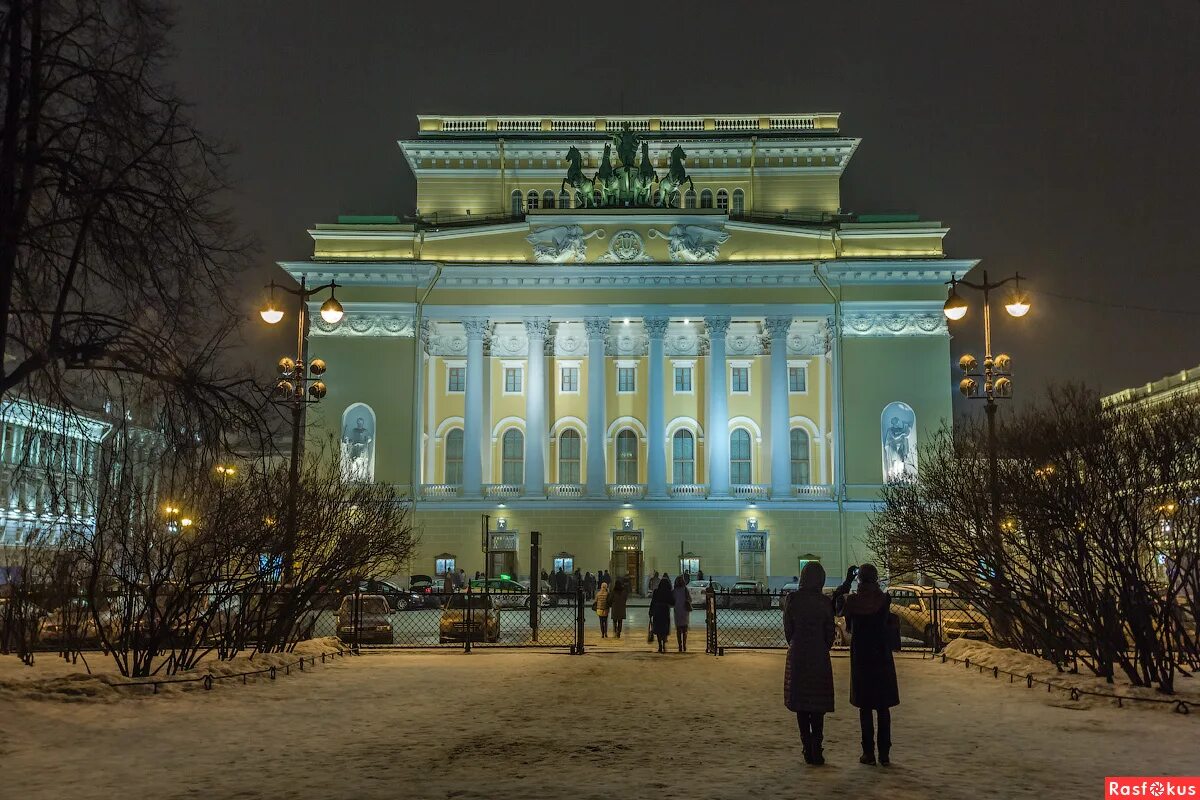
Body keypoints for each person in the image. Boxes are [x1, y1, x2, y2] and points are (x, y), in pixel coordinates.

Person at [834, 563, 899, 766]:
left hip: (862, 656)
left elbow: (836, 606)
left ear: (859, 579)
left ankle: (868, 753)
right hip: (881, 655)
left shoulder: (853, 601)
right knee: (882, 707)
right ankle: (885, 753)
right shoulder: (884, 599)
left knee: (865, 706)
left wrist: (846, 582)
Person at [783, 561, 836, 766]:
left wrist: (796, 643)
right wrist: (822, 646)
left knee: (802, 705)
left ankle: (806, 746)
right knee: (817, 705)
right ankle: (817, 746)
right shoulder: (824, 602)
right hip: (819, 656)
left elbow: (788, 628)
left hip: (798, 655)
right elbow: (830, 630)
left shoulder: (793, 599)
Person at [649, 577, 674, 653]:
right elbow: (672, 602)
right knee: (664, 628)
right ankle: (664, 644)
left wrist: (651, 612)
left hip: (657, 611)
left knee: (658, 628)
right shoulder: (668, 592)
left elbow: (653, 602)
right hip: (665, 611)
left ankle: (660, 645)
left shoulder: (656, 591)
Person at [672, 574, 693, 652]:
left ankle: (680, 646)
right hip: (685, 611)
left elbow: (672, 601)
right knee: (684, 630)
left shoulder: (674, 590)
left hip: (677, 611)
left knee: (678, 630)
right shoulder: (685, 589)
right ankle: (684, 645)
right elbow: (690, 599)